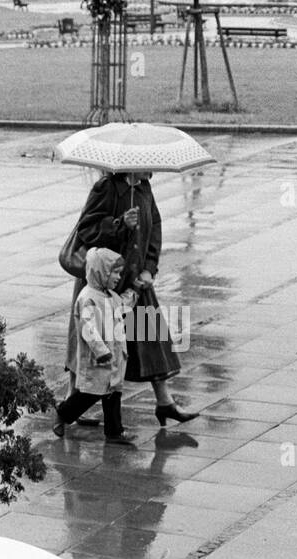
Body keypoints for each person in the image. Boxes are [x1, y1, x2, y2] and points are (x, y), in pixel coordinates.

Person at [67, 170, 199, 429]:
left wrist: (150, 267)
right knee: (89, 341)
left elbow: (155, 228)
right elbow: (86, 229)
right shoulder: (106, 187)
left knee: (151, 337)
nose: (152, 169)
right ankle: (71, 401)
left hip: (136, 279)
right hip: (104, 281)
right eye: (147, 163)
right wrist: (118, 224)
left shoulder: (144, 187)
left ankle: (165, 401)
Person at [54, 247, 134, 446]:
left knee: (113, 394)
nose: (118, 277)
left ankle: (114, 431)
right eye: (115, 272)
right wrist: (101, 351)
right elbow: (88, 329)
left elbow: (122, 306)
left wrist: (135, 292)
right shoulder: (88, 297)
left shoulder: (108, 295)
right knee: (89, 394)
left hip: (113, 356)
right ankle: (63, 413)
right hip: (98, 360)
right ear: (102, 272)